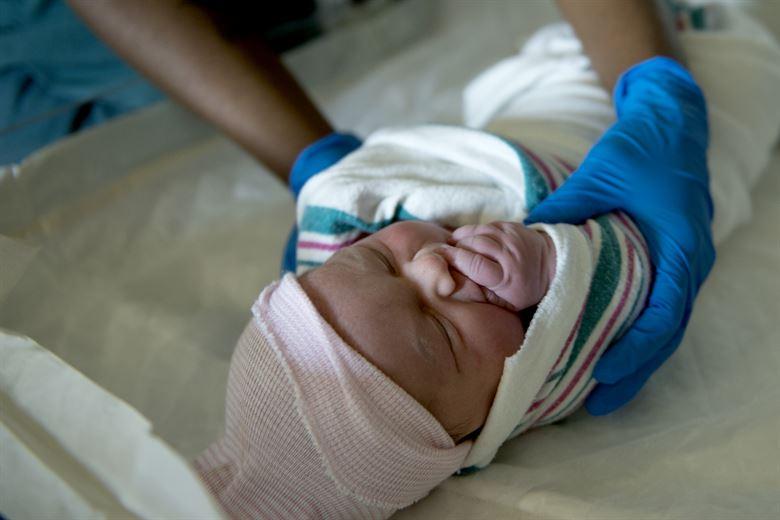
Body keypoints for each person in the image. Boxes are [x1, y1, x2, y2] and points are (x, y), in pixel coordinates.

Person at [63, 0, 715, 417]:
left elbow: (341, 209)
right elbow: (618, 277)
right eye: (438, 330)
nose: (432, 264)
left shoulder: (345, 276)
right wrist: (549, 263)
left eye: (379, 260)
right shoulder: (530, 388)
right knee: (733, 71)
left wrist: (331, 182)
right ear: (468, 436)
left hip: (544, 105)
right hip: (613, 136)